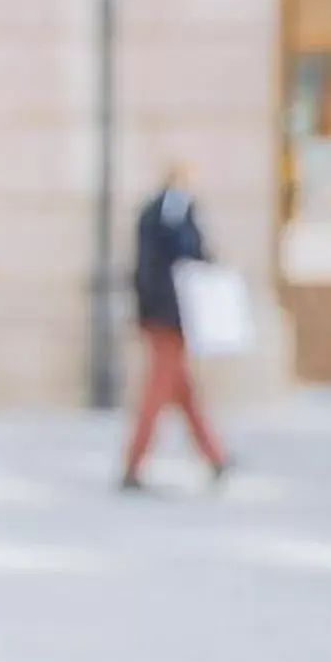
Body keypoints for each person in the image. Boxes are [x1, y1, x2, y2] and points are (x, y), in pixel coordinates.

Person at [122, 162, 232, 491]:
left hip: (166, 314)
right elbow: (183, 253)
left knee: (184, 393)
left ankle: (216, 456)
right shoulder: (170, 212)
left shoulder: (160, 211)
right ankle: (133, 462)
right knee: (159, 390)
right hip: (167, 315)